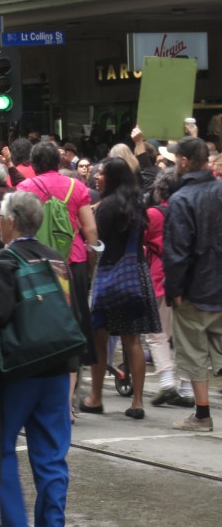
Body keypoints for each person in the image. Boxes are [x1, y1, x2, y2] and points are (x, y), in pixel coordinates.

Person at [0, 191, 77, 527]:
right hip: (57, 366)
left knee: (3, 445)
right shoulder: (56, 258)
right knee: (52, 452)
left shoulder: (5, 259)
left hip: (20, 370)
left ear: (10, 221)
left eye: (0, 216)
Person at [17, 141, 99, 414]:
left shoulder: (25, 189)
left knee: (36, 327)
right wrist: (89, 258)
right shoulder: (78, 187)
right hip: (70, 265)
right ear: (60, 162)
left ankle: (36, 397)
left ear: (33, 163)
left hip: (34, 266)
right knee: (70, 329)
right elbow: (91, 230)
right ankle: (67, 404)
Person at [79, 158, 160, 419]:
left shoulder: (106, 207)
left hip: (110, 275)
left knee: (100, 338)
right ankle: (137, 402)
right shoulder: (137, 203)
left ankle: (95, 397)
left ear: (112, 178)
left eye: (102, 173)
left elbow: (97, 242)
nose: (96, 177)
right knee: (133, 339)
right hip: (136, 273)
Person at [161, 137, 222, 432]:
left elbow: (177, 252)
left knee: (195, 353)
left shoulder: (181, 200)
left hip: (195, 289)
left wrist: (175, 290)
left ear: (184, 161)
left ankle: (202, 415)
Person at [146, 169, 193, 408]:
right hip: (187, 279)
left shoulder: (153, 213)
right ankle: (186, 388)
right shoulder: (188, 210)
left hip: (159, 278)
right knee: (185, 337)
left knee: (157, 334)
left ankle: (166, 381)